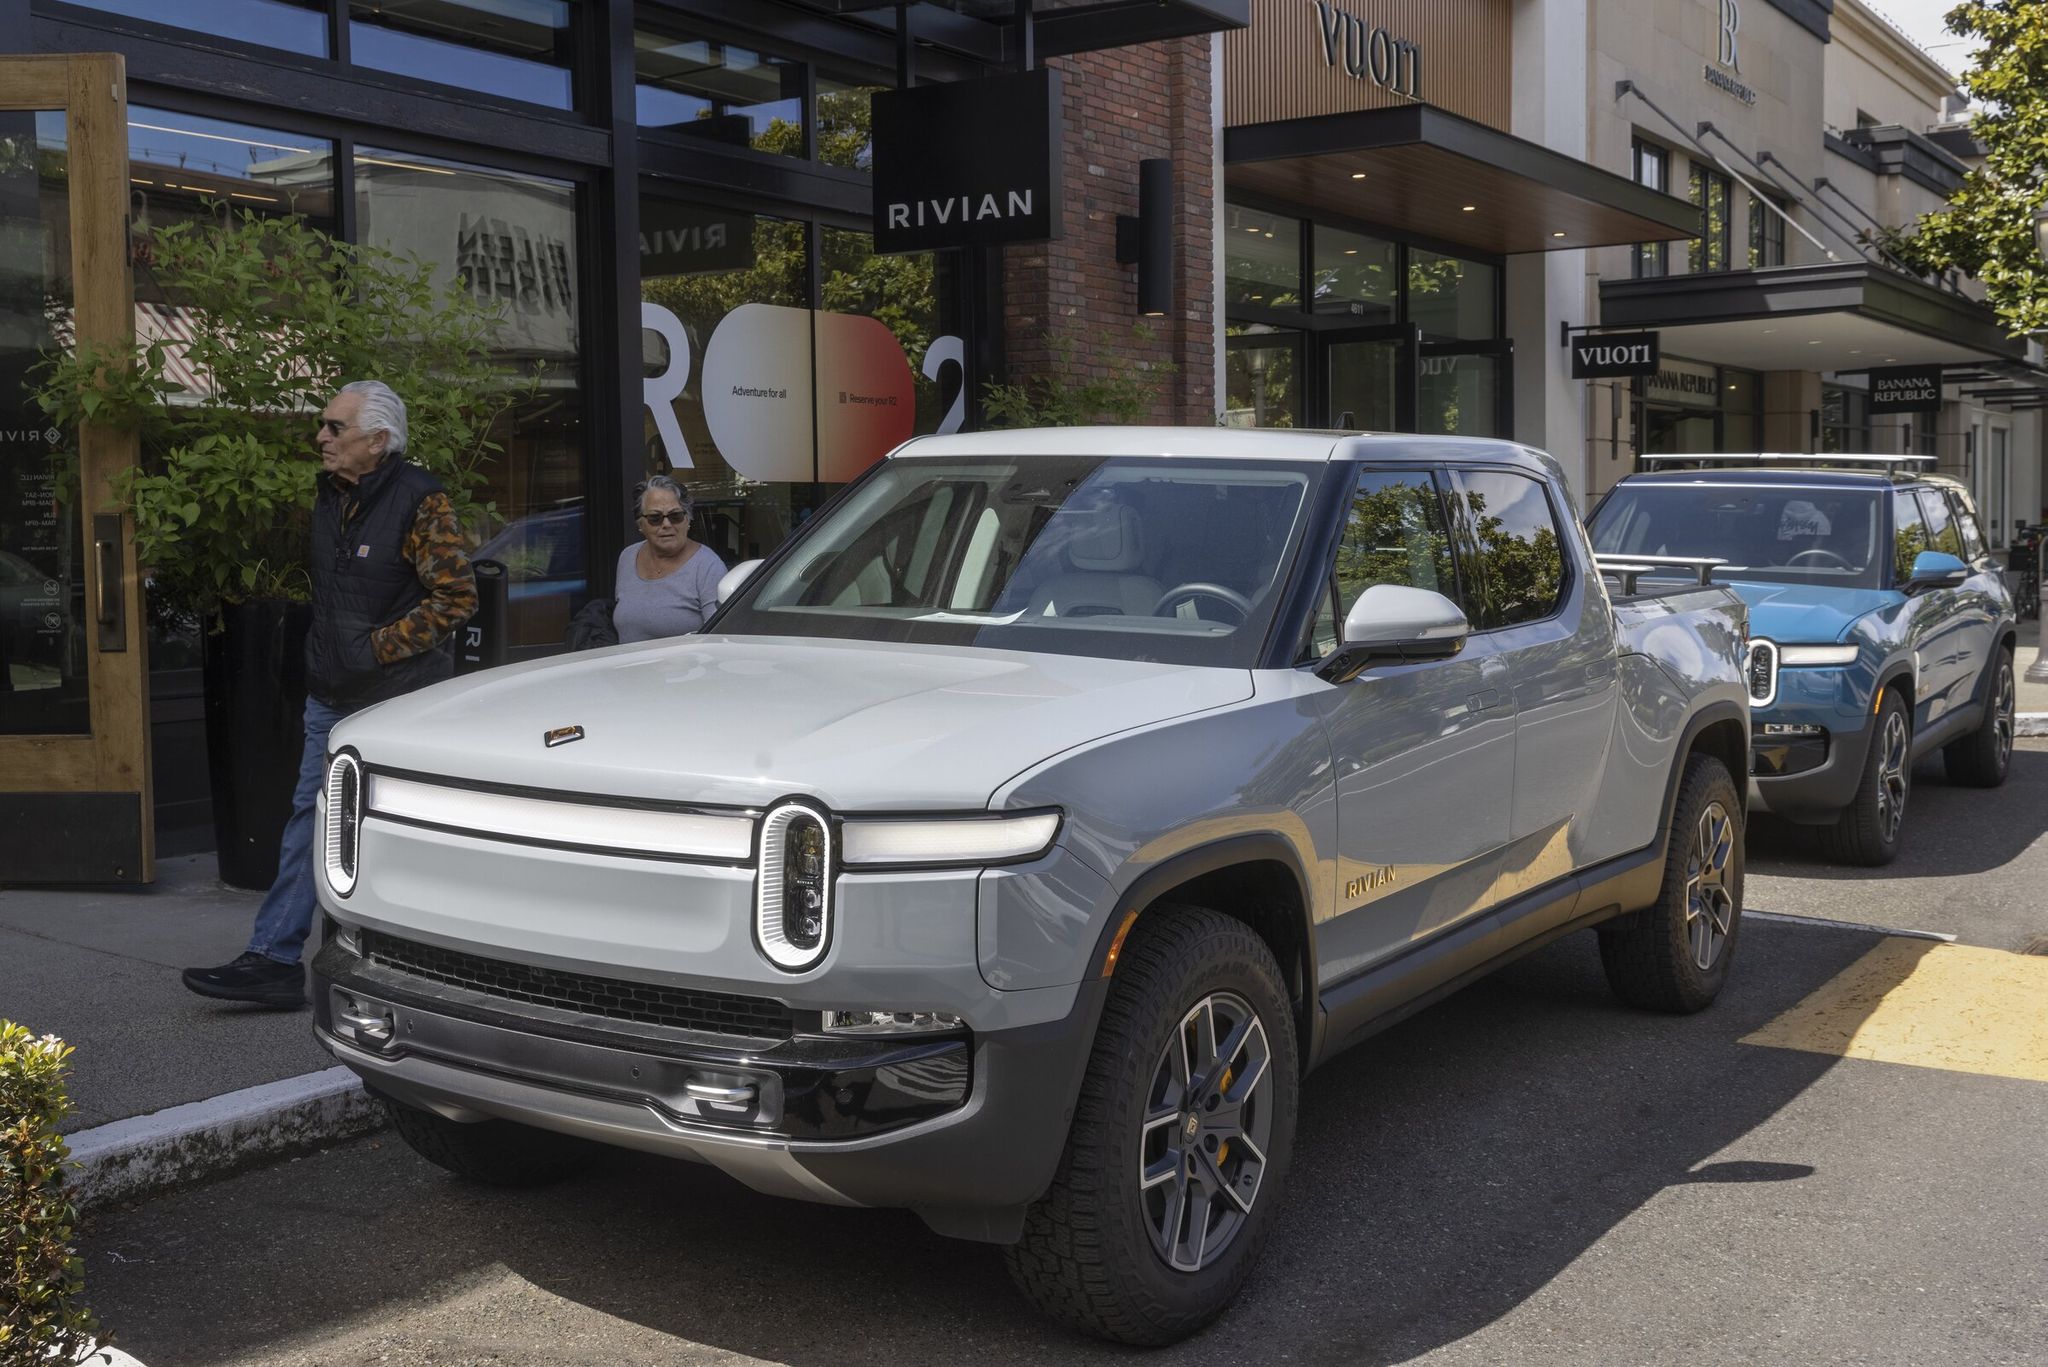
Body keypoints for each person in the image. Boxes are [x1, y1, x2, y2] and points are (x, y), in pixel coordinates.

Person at [182, 380, 476, 1009]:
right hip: (332, 693)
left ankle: (429, 964)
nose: (321, 437)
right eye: (324, 426)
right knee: (309, 818)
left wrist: (375, 650)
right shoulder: (330, 496)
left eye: (334, 427)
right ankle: (274, 959)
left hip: (400, 700)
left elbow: (456, 597)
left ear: (377, 438)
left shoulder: (422, 501)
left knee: (402, 829)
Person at [613, 475, 726, 642]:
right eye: (655, 518)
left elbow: (719, 638)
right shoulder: (628, 557)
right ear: (640, 524)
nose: (666, 524)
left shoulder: (708, 566)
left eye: (675, 516)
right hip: (626, 666)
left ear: (688, 520)